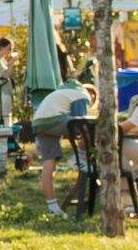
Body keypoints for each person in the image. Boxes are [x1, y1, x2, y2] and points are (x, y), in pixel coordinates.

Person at [29, 66, 95, 216]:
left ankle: (52, 207)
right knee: (89, 126)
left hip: (39, 123)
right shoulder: (82, 95)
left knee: (48, 164)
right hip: (54, 120)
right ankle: (81, 158)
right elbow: (81, 123)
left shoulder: (60, 92)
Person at [0, 37, 19, 125]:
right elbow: (5, 75)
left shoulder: (2, 60)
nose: (10, 51)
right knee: (3, 119)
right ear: (2, 47)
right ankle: (5, 137)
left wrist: (10, 63)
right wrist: (12, 62)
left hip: (4, 93)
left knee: (6, 118)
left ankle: (7, 137)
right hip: (0, 93)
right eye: (9, 48)